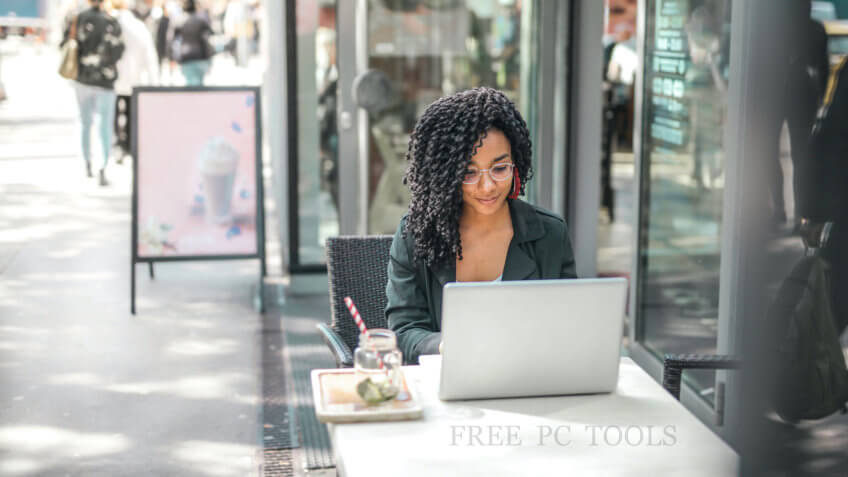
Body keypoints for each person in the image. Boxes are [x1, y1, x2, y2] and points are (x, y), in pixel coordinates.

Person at [385, 87, 578, 364]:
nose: (487, 187)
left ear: (517, 164)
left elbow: (569, 326)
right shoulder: (415, 235)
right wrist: (445, 345)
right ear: (445, 175)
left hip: (530, 380)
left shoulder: (550, 235)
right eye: (468, 173)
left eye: (500, 169)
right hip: (446, 385)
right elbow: (404, 332)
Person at [61, 0, 125, 186]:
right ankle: (102, 165)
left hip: (82, 78)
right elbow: (119, 50)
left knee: (85, 121)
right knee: (104, 125)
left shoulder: (78, 18)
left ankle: (87, 161)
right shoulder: (111, 22)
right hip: (105, 80)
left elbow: (66, 43)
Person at [110, 0, 159, 162]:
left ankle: (118, 143)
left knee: (115, 112)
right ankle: (129, 144)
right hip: (134, 79)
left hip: (114, 78)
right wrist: (154, 81)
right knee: (131, 112)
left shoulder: (112, 24)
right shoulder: (138, 26)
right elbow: (150, 55)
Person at [172, 0, 213, 86]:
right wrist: (209, 58)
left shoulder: (180, 21)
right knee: (199, 85)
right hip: (199, 56)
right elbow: (206, 39)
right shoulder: (201, 21)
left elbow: (173, 41)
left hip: (186, 56)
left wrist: (172, 57)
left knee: (190, 84)